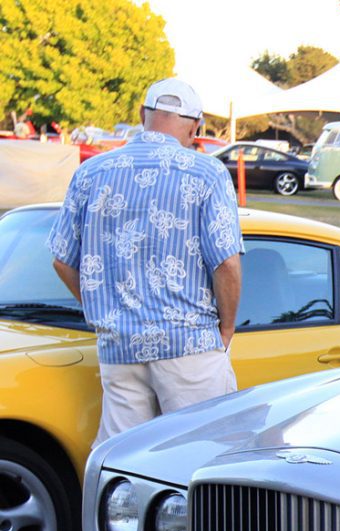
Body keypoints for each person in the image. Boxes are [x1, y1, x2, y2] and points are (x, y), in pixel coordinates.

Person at [47, 78, 243, 446]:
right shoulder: (207, 173)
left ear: (142, 114)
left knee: (125, 463)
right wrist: (226, 329)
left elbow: (62, 260)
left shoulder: (92, 171)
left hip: (119, 344)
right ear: (195, 125)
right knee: (200, 454)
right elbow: (227, 264)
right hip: (190, 343)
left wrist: (106, 310)